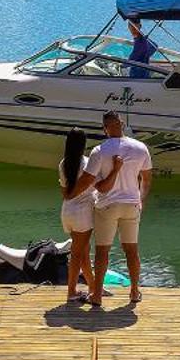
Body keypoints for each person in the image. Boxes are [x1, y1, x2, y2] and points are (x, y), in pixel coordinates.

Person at [85, 111, 151, 307]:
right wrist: (141, 199)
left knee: (102, 251)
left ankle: (96, 295)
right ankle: (134, 291)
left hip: (107, 206)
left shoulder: (99, 151)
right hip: (131, 205)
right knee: (132, 250)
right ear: (122, 124)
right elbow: (146, 179)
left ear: (105, 129)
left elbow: (96, 184)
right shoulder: (141, 148)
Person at [58, 126, 95, 304]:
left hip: (67, 211)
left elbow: (65, 192)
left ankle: (94, 288)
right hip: (82, 213)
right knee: (77, 254)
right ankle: (72, 291)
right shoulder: (87, 163)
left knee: (83, 253)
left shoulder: (63, 163)